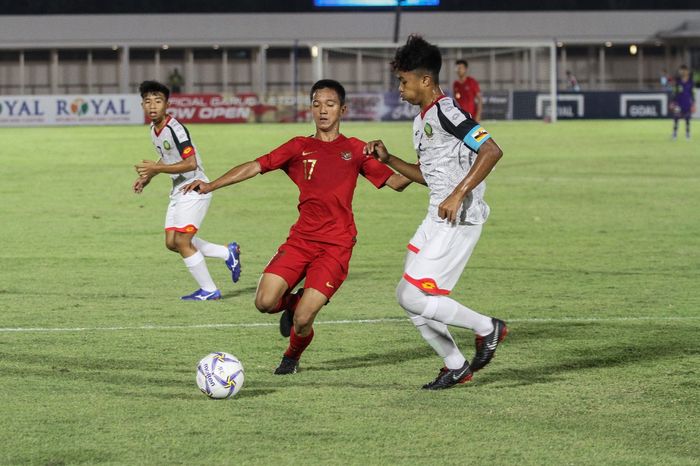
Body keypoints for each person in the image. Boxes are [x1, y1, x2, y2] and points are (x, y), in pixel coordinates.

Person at [182, 79, 411, 375]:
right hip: (301, 239)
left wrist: (423, 163)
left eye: (330, 105)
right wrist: (211, 185)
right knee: (264, 302)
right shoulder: (299, 147)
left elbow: (397, 182)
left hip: (336, 246)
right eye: (317, 104)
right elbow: (255, 166)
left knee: (303, 320)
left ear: (343, 109)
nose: (323, 111)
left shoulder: (355, 150)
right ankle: (292, 302)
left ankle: (291, 356)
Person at [364, 35, 507, 390]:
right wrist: (391, 161)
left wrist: (459, 194)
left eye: (404, 80)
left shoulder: (448, 111)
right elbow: (430, 176)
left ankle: (488, 328)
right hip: (435, 216)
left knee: (413, 295)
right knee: (407, 295)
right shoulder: (421, 120)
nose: (400, 88)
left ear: (425, 80)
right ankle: (456, 365)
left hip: (459, 218)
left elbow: (491, 150)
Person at [133, 80, 241, 301]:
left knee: (183, 242)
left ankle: (209, 290)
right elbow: (165, 157)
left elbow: (191, 163)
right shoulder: (154, 130)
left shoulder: (176, 128)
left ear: (167, 104)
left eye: (158, 101)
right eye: (147, 102)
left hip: (195, 188)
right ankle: (226, 252)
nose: (152, 106)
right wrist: (148, 178)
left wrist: (156, 169)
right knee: (172, 243)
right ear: (142, 105)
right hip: (179, 190)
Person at [670, 64, 695, 140]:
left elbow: (692, 93)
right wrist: (672, 102)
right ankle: (674, 133)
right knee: (676, 117)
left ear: (687, 71)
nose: (682, 72)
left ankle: (687, 134)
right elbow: (675, 92)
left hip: (687, 103)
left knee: (687, 119)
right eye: (681, 71)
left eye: (684, 70)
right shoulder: (678, 82)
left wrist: (693, 103)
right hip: (678, 103)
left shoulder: (690, 82)